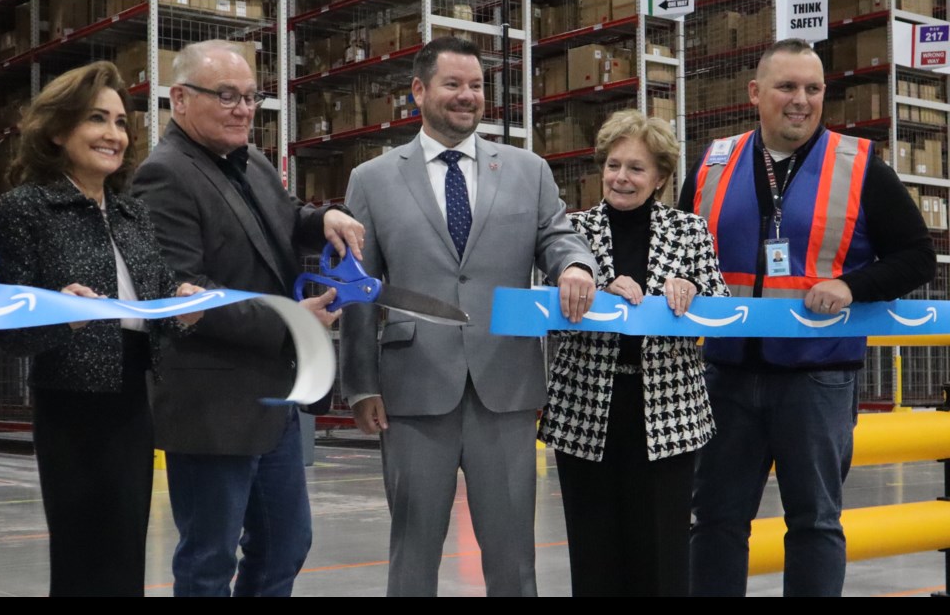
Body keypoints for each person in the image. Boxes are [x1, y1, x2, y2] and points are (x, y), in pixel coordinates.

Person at [340, 36, 598, 597]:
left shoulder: (528, 170)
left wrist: (575, 265)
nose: (468, 96)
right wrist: (359, 384)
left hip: (504, 387)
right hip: (412, 392)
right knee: (413, 553)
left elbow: (557, 236)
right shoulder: (373, 179)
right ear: (419, 91)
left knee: (513, 558)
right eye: (453, 84)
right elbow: (358, 290)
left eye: (477, 86)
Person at [680, 38, 936, 597]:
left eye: (813, 89)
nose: (801, 100)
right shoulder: (711, 164)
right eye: (787, 87)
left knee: (815, 523)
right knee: (715, 522)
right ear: (755, 93)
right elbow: (675, 252)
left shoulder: (860, 164)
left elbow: (917, 256)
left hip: (817, 379)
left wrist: (851, 285)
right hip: (725, 377)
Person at [130, 40, 364, 597]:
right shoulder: (164, 176)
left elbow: (282, 219)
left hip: (271, 396)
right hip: (213, 402)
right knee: (210, 559)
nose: (242, 110)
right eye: (227, 96)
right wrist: (290, 319)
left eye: (251, 97)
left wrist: (323, 216)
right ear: (180, 99)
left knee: (286, 543)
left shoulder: (251, 161)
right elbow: (186, 296)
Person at [0, 61, 204, 596]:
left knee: (126, 552)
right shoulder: (27, 209)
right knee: (83, 554)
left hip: (134, 398)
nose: (114, 134)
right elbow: (11, 333)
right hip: (70, 403)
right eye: (96, 119)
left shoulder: (133, 214)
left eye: (120, 121)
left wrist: (184, 306)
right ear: (59, 130)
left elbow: (157, 306)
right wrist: (58, 317)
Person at [539, 109, 729, 596]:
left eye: (636, 168)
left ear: (662, 177)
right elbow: (546, 297)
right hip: (585, 409)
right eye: (613, 165)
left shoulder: (689, 231)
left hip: (669, 412)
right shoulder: (571, 230)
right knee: (593, 552)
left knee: (662, 556)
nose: (621, 177)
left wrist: (691, 289)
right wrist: (596, 291)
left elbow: (721, 306)